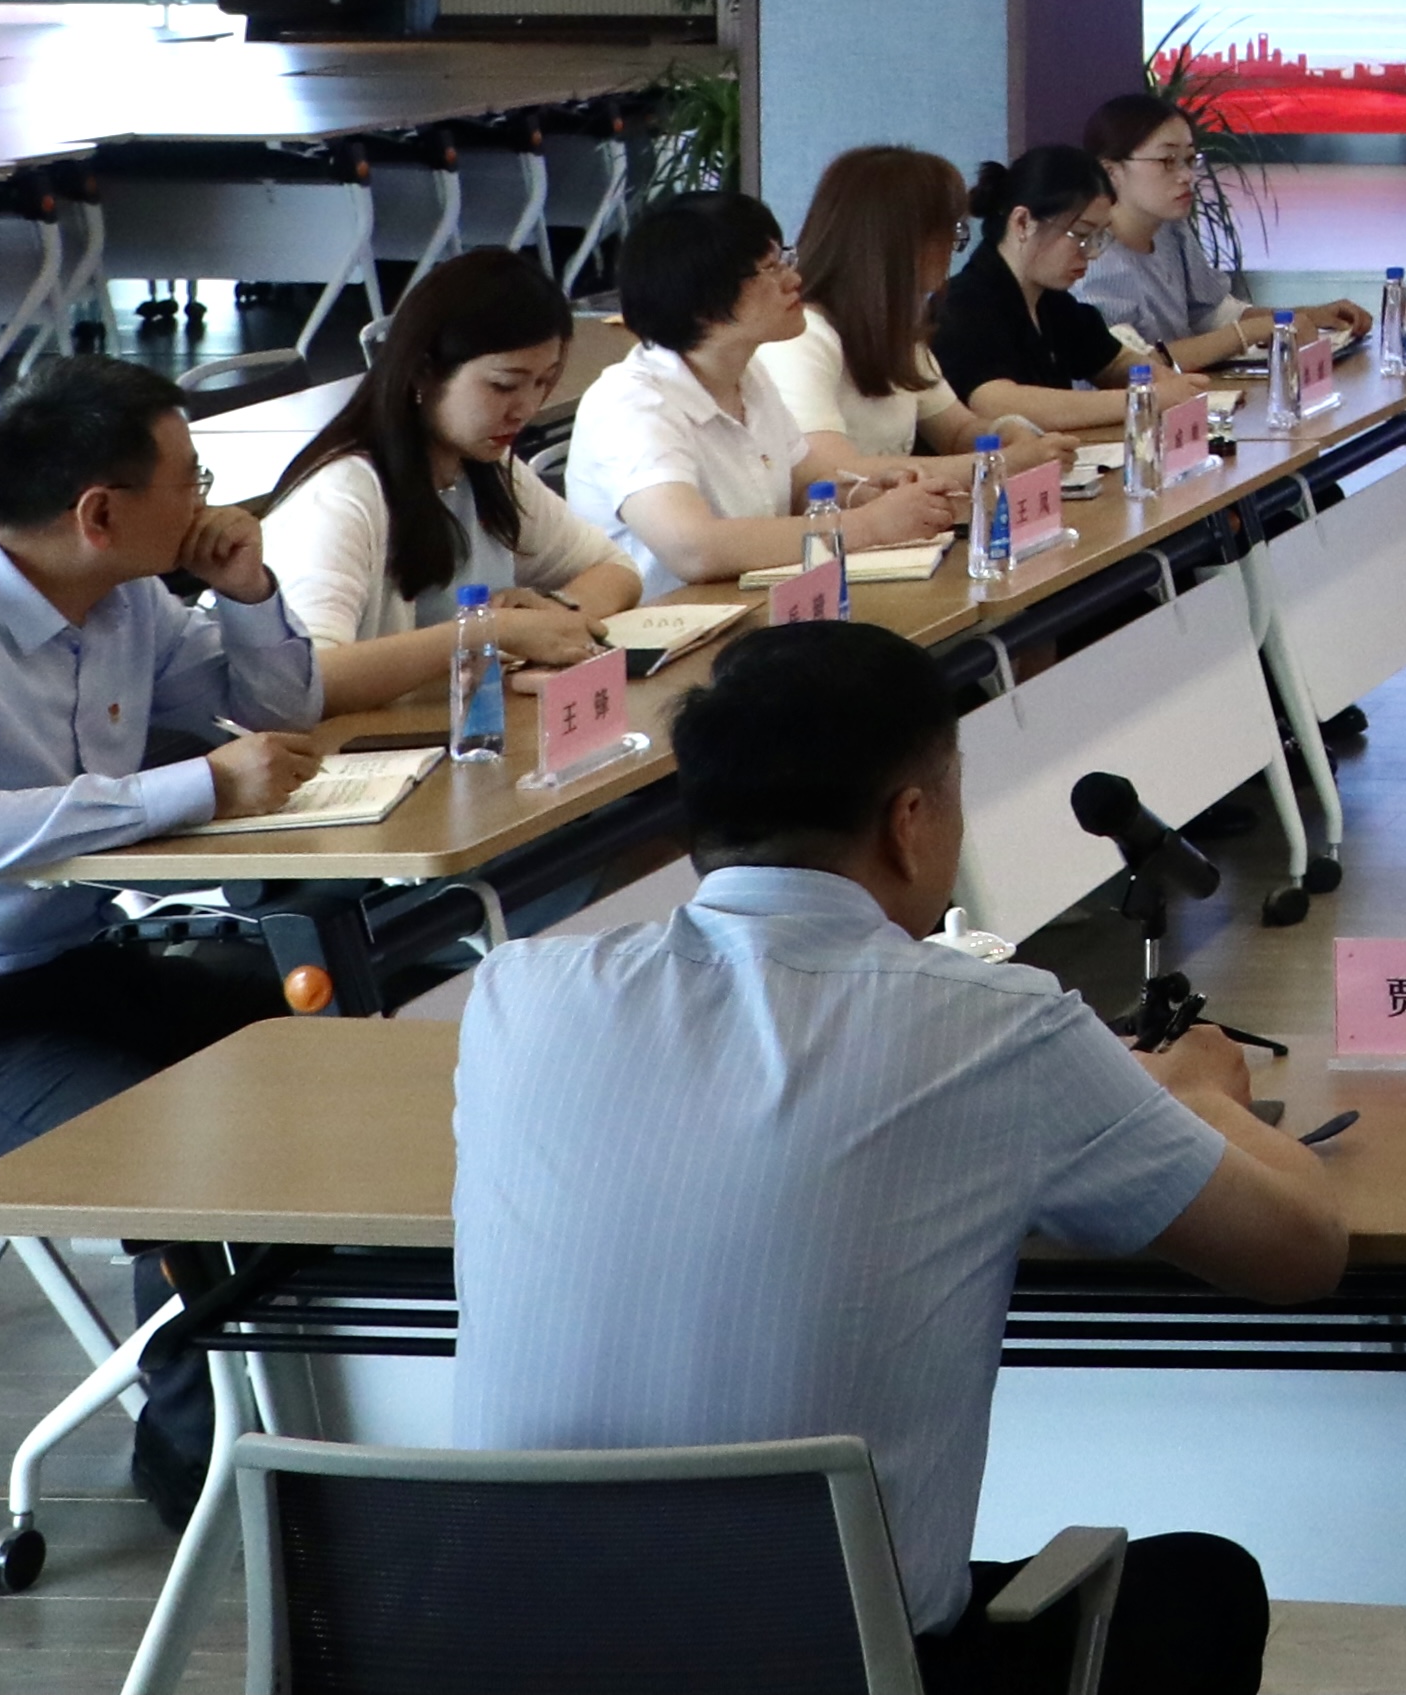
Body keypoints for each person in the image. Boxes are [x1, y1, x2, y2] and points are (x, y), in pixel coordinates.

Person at [454, 619, 1344, 1695]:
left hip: (502, 1659)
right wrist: (1195, 1092)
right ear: (911, 821)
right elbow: (1303, 1249)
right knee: (1202, 1585)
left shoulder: (518, 996)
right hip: (836, 1667)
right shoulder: (995, 1026)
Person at [0, 358, 327, 1514]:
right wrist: (191, 790)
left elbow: (278, 716)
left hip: (68, 965)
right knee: (179, 1157)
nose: (208, 498)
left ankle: (331, 1406)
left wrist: (249, 589)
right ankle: (203, 1476)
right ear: (100, 512)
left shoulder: (125, 602)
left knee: (325, 1055)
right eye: (192, 479)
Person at [258, 247, 639, 712]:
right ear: (423, 373)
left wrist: (554, 610)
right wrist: (483, 631)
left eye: (543, 383)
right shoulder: (340, 495)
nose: (525, 409)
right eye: (503, 385)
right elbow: (307, 680)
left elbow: (615, 569)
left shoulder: (485, 465)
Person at [566, 191, 958, 590]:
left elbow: (803, 485)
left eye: (784, 260)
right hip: (668, 623)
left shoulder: (748, 374)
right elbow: (693, 548)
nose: (794, 279)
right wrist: (870, 525)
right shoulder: (630, 403)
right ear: (703, 299)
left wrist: (865, 493)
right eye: (770, 269)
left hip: (754, 603)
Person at [761, 147, 1088, 480]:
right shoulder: (803, 339)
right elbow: (835, 471)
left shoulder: (897, 333)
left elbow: (957, 432)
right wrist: (1004, 462)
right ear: (905, 240)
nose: (952, 248)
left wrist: (1007, 432)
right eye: (951, 231)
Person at [1071, 95, 1362, 382]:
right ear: (1111, 171)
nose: (1186, 176)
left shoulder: (1171, 229)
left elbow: (1211, 313)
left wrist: (1303, 316)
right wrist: (1249, 333)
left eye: (1189, 160)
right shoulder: (1091, 258)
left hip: (1185, 394)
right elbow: (1131, 363)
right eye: (1167, 161)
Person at [936, 147, 1152, 424]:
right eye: (1081, 234)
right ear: (1023, 223)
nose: (1093, 252)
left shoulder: (1052, 301)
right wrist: (1141, 399)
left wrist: (1157, 378)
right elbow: (996, 404)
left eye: (1100, 236)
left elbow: (1112, 363)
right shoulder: (963, 304)